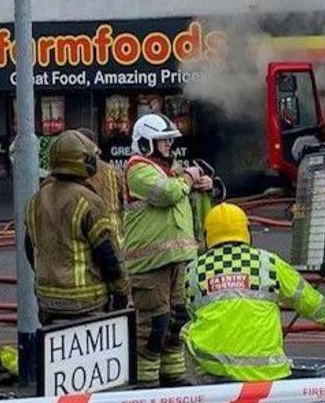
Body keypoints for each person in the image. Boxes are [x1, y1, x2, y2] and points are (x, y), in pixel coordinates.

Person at [182, 203, 325, 403]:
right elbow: (306, 298)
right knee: (270, 402)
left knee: (189, 330)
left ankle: (214, 400)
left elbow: (191, 310)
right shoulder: (268, 263)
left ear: (207, 237)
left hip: (217, 367)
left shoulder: (193, 270)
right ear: (247, 233)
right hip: (265, 373)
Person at [125, 113, 212, 388]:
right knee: (154, 324)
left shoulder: (171, 171)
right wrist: (188, 178)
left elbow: (184, 198)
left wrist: (204, 188)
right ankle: (146, 381)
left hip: (179, 261)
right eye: (162, 141)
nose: (168, 146)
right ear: (146, 143)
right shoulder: (137, 169)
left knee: (179, 319)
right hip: (149, 264)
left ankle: (172, 374)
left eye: (168, 141)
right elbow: (167, 194)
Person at [25, 130, 130, 326]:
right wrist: (121, 290)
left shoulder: (35, 200)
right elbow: (107, 254)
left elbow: (30, 248)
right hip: (87, 303)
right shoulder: (89, 201)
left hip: (47, 302)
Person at [77, 127, 126, 250]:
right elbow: (126, 204)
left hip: (88, 239)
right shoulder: (114, 172)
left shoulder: (76, 173)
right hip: (115, 237)